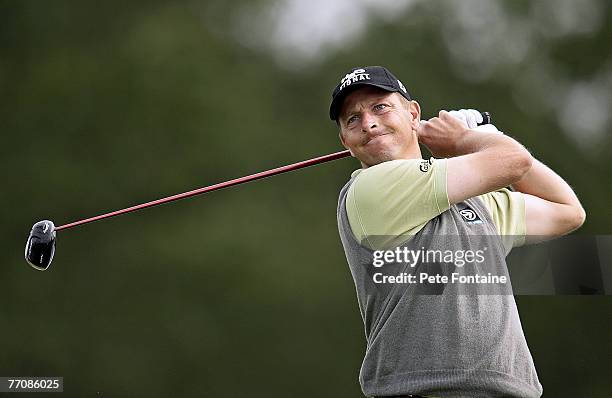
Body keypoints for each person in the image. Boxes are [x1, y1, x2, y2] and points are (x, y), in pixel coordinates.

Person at [331, 66, 586, 398]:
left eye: (379, 107)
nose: (368, 123)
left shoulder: (476, 203)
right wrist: (473, 139)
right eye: (352, 119)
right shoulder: (369, 189)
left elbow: (567, 211)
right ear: (346, 142)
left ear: (413, 114)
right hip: (425, 390)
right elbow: (512, 160)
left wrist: (484, 139)